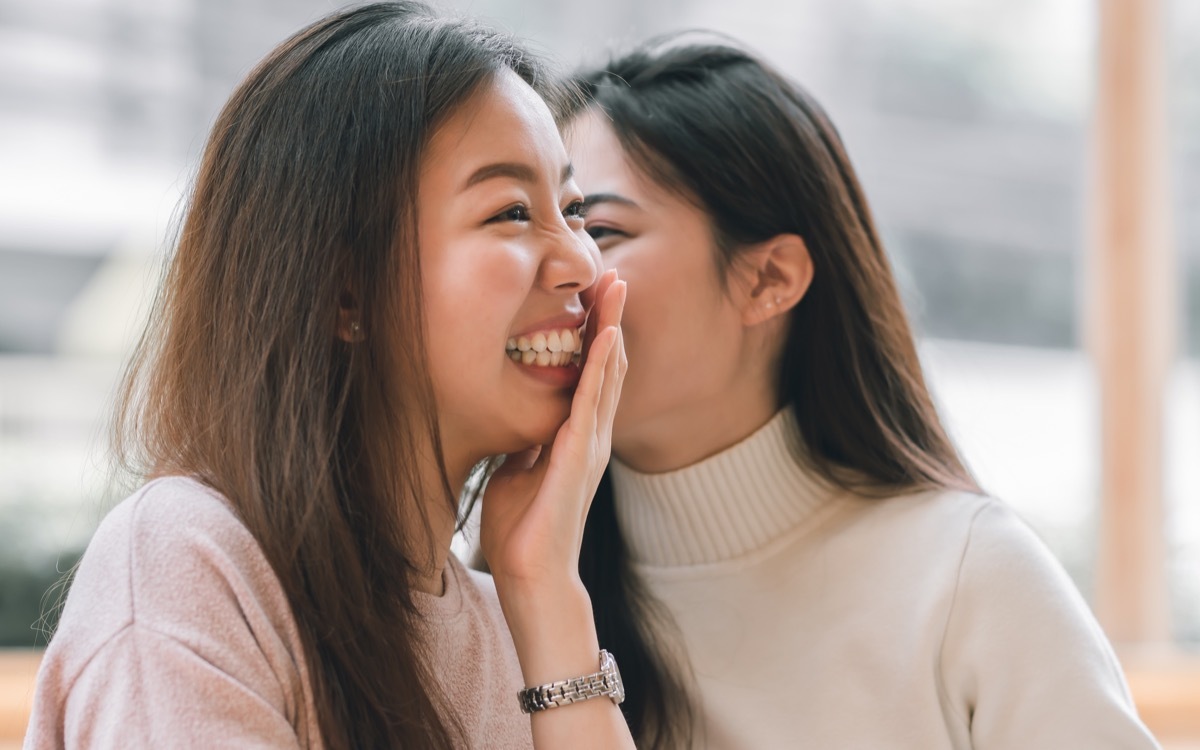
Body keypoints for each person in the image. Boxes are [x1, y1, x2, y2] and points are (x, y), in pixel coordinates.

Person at [24, 3, 635, 748]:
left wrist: (547, 592)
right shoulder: (191, 564)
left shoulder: (512, 624)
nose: (581, 261)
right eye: (510, 211)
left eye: (573, 210)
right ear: (345, 292)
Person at [566, 36, 1161, 749]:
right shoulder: (522, 587)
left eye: (598, 229)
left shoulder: (970, 581)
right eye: (534, 222)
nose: (562, 269)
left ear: (770, 278)